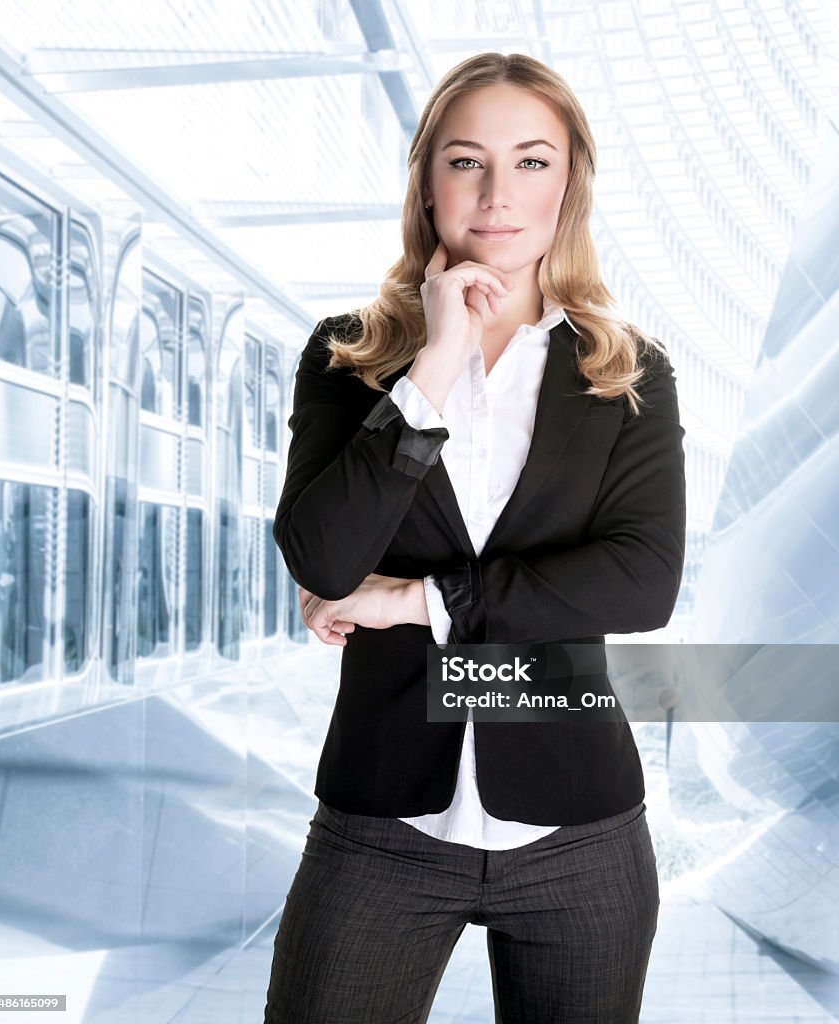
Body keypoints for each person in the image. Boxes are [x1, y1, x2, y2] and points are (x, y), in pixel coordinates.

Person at [263, 51, 686, 1024]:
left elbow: (639, 584)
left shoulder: (627, 375)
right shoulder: (348, 358)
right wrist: (436, 365)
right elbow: (324, 558)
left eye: (530, 161)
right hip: (382, 821)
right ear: (426, 180)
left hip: (578, 829)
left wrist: (419, 600)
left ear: (569, 181)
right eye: (466, 161)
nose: (497, 193)